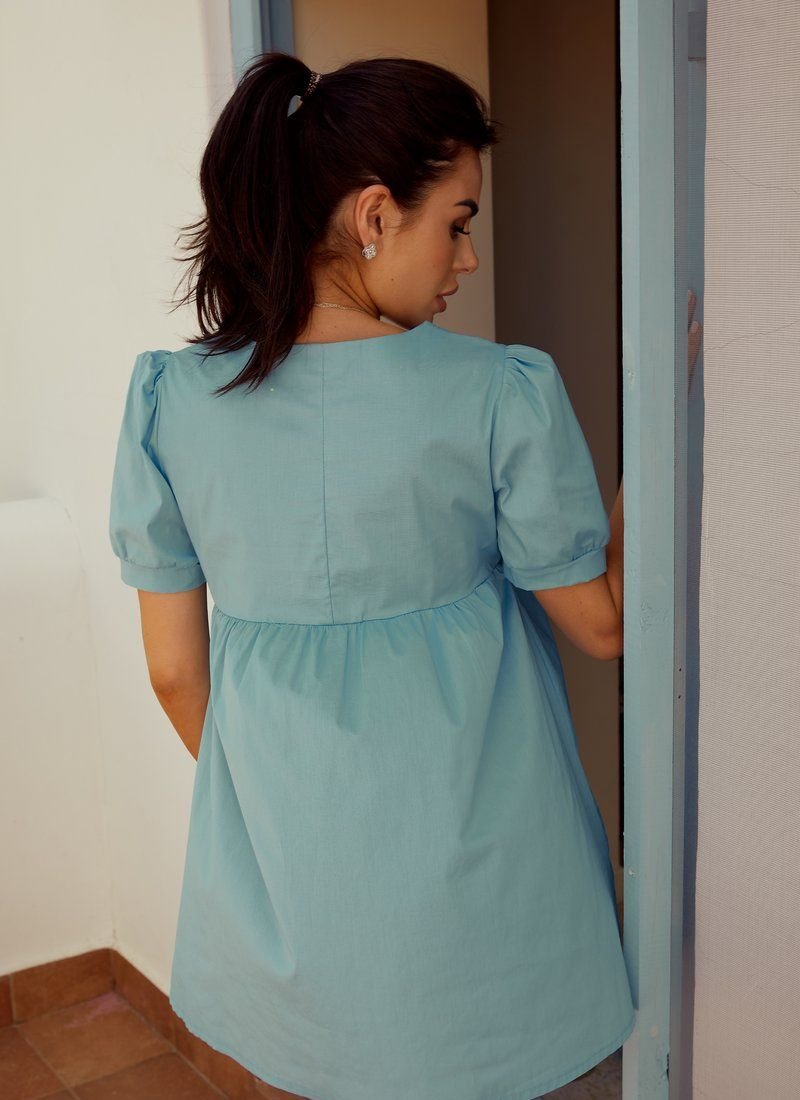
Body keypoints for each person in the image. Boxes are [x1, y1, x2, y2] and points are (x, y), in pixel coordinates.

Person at [109, 50, 701, 1100]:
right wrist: (667, 422)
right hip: (487, 893)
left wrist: (280, 812)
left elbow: (173, 673)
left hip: (300, 892)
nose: (464, 258)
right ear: (375, 214)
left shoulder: (172, 400)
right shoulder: (498, 390)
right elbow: (605, 624)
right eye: (457, 222)